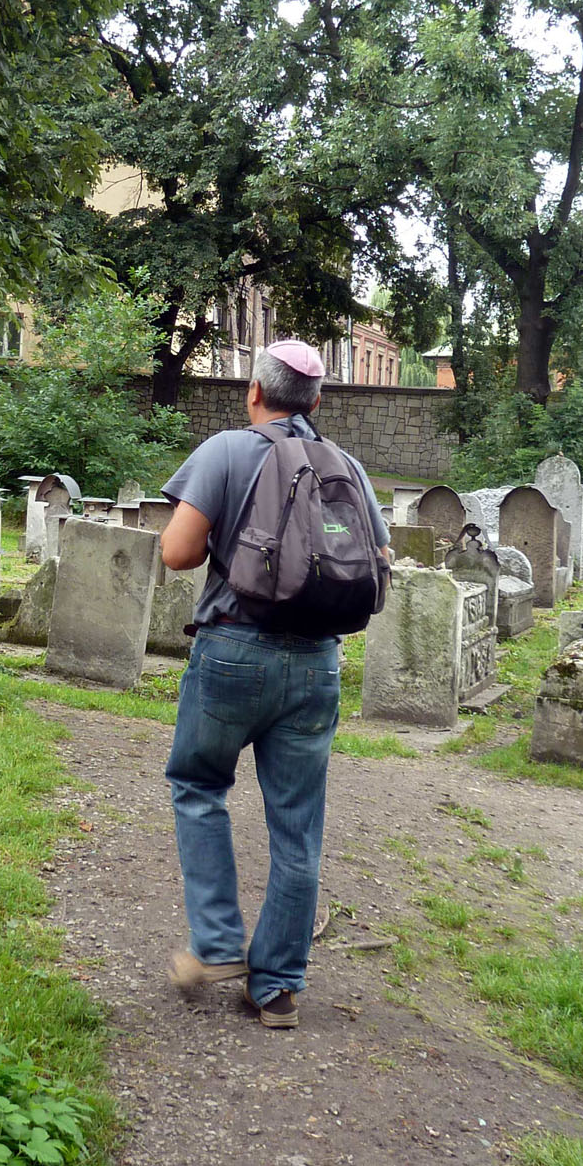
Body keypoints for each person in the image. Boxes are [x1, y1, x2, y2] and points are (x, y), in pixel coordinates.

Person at [158, 340, 390, 1029]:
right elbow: (377, 558)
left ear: (253, 392)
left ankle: (218, 944)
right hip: (316, 663)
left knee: (199, 785)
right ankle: (278, 988)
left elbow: (177, 553)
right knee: (297, 823)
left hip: (232, 650)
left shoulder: (226, 451)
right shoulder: (345, 465)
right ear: (316, 401)